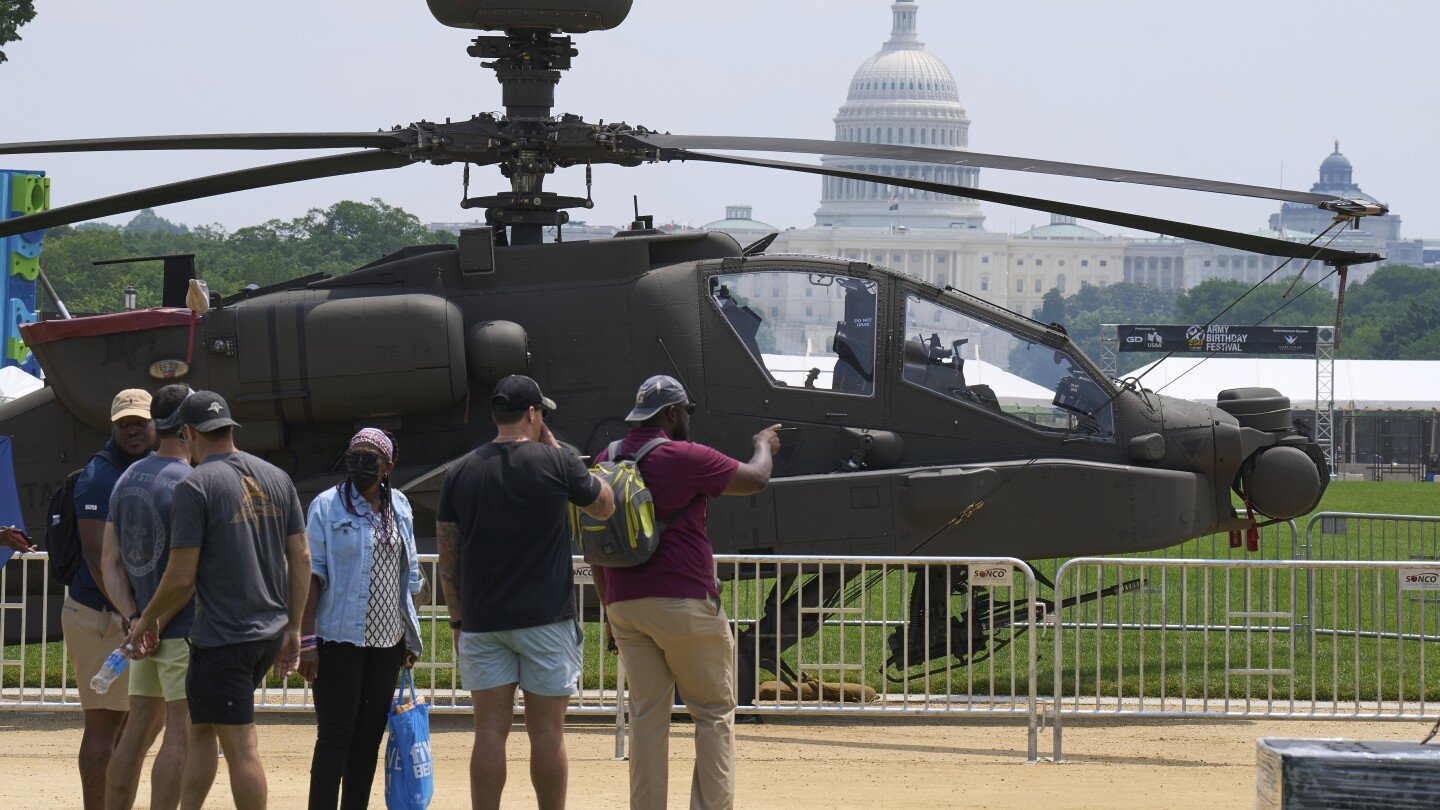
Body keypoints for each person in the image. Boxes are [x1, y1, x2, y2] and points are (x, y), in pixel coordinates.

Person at [590, 375, 780, 810]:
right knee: (713, 713)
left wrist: (610, 613)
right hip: (684, 601)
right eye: (685, 412)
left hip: (624, 604)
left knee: (646, 719)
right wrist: (764, 443)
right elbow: (755, 478)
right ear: (673, 413)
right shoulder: (684, 455)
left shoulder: (607, 457)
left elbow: (595, 543)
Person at [435, 375, 615, 810]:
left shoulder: (459, 472)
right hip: (546, 619)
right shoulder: (557, 462)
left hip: (483, 621)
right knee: (548, 733)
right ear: (534, 414)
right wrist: (558, 452)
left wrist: (458, 620)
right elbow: (604, 504)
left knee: (489, 732)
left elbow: (448, 556)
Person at [125, 391, 309, 810]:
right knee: (201, 729)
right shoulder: (277, 477)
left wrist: (146, 620)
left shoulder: (195, 485)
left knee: (241, 746)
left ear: (188, 433)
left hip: (225, 636)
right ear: (229, 428)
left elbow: (180, 576)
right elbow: (300, 557)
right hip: (267, 630)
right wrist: (295, 627)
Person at [299, 428, 424, 810]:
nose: (361, 464)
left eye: (370, 457)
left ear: (388, 466)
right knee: (335, 735)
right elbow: (312, 575)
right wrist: (307, 641)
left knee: (368, 739)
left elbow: (411, 576)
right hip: (339, 641)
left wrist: (408, 636)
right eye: (354, 455)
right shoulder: (325, 506)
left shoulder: (400, 506)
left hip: (386, 645)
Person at [99, 384, 194, 810]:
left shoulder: (123, 480)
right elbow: (188, 573)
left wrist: (137, 617)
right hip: (182, 627)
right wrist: (152, 621)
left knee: (137, 732)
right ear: (189, 425)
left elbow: (109, 564)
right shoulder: (190, 483)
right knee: (181, 732)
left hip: (142, 628)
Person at [67, 388, 155, 810]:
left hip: (131, 615)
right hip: (102, 614)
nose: (134, 428)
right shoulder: (101, 475)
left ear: (155, 424)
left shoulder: (151, 468)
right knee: (105, 727)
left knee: (125, 727)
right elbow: (95, 553)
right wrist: (130, 613)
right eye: (125, 423)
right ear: (113, 426)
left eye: (141, 421)